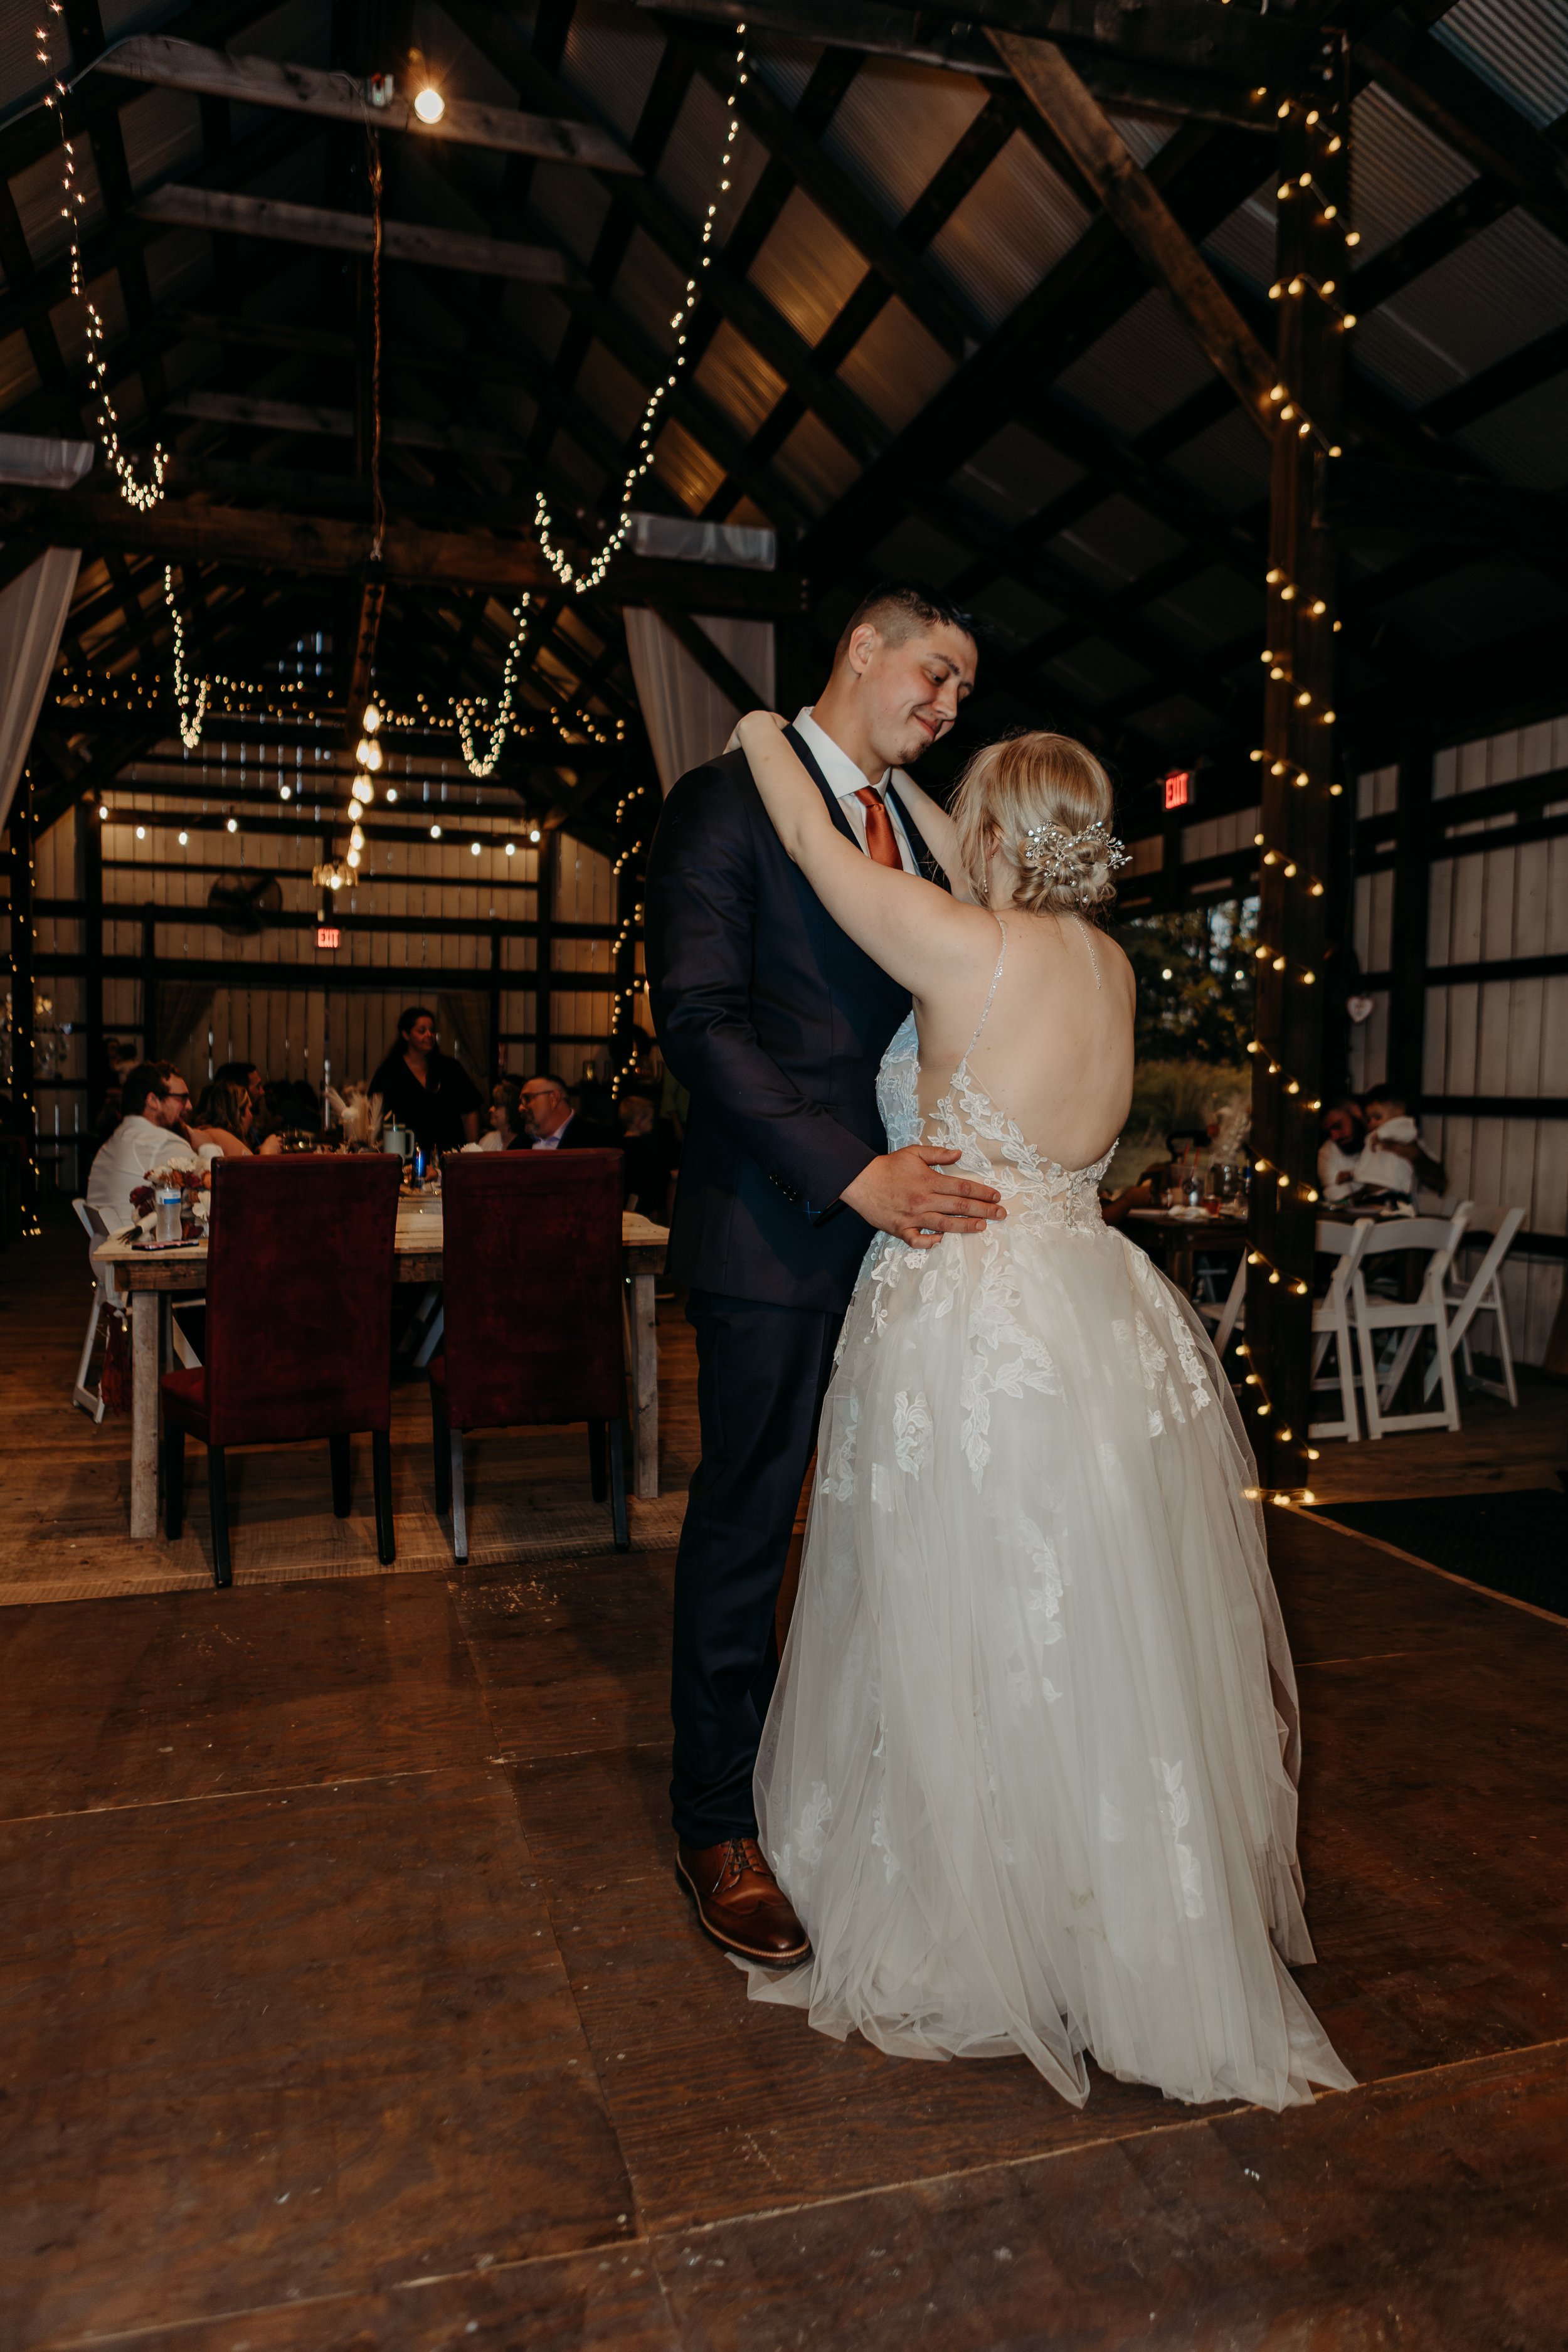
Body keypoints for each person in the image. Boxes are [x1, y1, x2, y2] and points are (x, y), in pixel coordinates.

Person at [716, 708, 1354, 2114]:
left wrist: (775, 730)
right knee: (1092, 1610)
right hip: (1096, 1311)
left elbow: (824, 853)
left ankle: (979, 1910)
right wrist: (976, 816)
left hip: (968, 1316)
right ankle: (1101, 1913)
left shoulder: (962, 947)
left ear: (996, 839)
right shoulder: (1104, 962)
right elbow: (978, 862)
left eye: (975, 823)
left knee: (960, 1600)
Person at [645, 581, 1004, 1971]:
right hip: (776, 1229)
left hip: (912, 1242)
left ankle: (856, 1782)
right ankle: (715, 1820)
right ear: (861, 648)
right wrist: (850, 1175)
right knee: (750, 1525)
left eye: (965, 689)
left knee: (894, 1519)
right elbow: (697, 1023)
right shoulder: (722, 802)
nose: (946, 703)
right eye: (934, 668)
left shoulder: (919, 835)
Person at [86, 1061, 213, 1234]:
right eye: (182, 1098)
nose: (189, 1106)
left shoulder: (117, 1139)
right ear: (153, 1100)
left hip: (113, 1248)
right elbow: (215, 1187)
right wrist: (208, 1146)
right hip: (141, 1253)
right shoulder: (161, 1143)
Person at [369, 1006, 482, 1156]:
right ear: (406, 1034)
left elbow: (469, 1111)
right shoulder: (390, 1071)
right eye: (422, 1031)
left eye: (432, 1030)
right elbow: (374, 1115)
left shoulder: (450, 1068)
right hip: (405, 1156)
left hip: (449, 1155)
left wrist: (470, 1150)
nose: (429, 1035)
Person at [1355, 1089, 1445, 1198]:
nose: (1372, 1123)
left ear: (1399, 1114)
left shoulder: (1402, 1129)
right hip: (1373, 1192)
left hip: (1394, 1193)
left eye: (1377, 1117)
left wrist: (1382, 1134)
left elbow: (1406, 1131)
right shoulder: (1374, 1138)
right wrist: (1354, 1173)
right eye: (1369, 1119)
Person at [514, 1073, 620, 1151]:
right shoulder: (518, 1146)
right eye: (521, 1102)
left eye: (527, 1099)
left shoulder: (601, 1142)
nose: (521, 1108)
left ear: (554, 1099)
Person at [618, 1089, 664, 1212]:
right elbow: (651, 1173)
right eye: (650, 1120)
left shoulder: (619, 1145)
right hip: (641, 1202)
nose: (652, 1124)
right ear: (638, 1121)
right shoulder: (642, 1147)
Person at [1317, 1100, 1363, 1203]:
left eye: (1338, 1126)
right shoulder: (1327, 1151)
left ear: (1356, 1112)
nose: (1335, 1137)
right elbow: (1332, 1192)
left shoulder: (1384, 1141)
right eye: (1329, 1132)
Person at [476, 1078, 523, 1150]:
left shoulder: (524, 1145)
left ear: (511, 1110)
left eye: (497, 1105)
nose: (491, 1109)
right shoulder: (487, 1140)